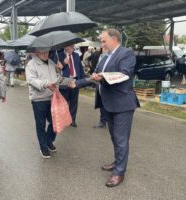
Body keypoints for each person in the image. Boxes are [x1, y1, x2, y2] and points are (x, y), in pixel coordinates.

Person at [75, 29, 139, 187]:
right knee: (114, 137)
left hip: (123, 104)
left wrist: (102, 76)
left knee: (121, 139)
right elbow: (95, 75)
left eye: (104, 41)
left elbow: (123, 74)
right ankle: (118, 162)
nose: (101, 44)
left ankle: (119, 172)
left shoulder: (126, 53)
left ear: (114, 39)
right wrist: (75, 83)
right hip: (108, 104)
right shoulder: (104, 57)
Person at [26, 51, 59, 159]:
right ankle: (43, 147)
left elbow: (57, 76)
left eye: (47, 51)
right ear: (36, 53)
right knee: (41, 125)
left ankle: (48, 141)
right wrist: (46, 84)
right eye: (42, 52)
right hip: (39, 99)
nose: (45, 54)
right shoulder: (31, 64)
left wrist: (59, 69)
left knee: (55, 122)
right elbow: (31, 80)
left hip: (52, 97)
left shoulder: (51, 62)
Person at [57, 45, 85, 127]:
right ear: (65, 47)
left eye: (73, 47)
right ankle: (63, 119)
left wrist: (82, 81)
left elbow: (80, 68)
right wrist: (63, 63)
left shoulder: (76, 55)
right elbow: (57, 69)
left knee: (74, 102)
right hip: (65, 82)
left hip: (75, 81)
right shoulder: (60, 55)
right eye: (70, 46)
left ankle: (72, 120)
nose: (72, 48)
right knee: (64, 102)